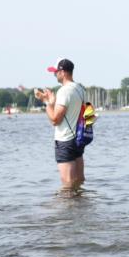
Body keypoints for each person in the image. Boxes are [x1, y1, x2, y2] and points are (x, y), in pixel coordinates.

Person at [35, 58, 86, 189]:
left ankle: (67, 209)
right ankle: (81, 208)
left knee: (67, 183)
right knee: (79, 181)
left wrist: (46, 102)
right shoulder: (80, 88)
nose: (54, 75)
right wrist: (52, 102)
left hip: (65, 141)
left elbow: (55, 120)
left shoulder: (64, 91)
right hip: (79, 139)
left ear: (62, 72)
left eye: (55, 72)